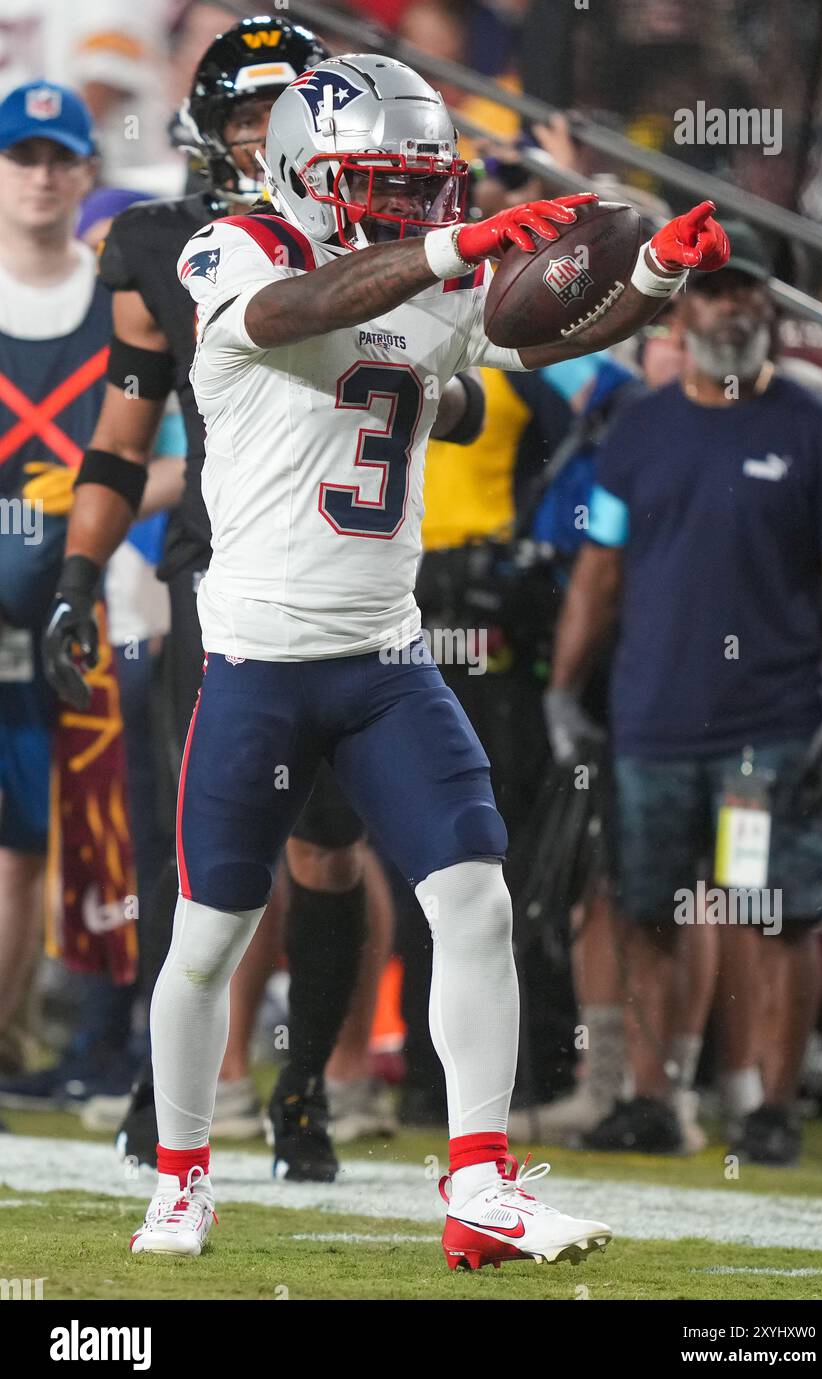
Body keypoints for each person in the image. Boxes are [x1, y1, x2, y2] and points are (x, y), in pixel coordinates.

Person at [55, 51, 727, 1263]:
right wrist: (448, 254)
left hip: (385, 661)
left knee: (471, 898)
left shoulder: (431, 272)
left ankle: (478, 1186)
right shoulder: (235, 250)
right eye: (381, 183)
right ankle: (182, 1176)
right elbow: (293, 315)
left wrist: (649, 274)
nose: (410, 208)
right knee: (208, 935)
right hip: (257, 662)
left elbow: (541, 332)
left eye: (423, 187)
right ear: (306, 172)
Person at [42, 15, 486, 1178]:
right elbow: (119, 437)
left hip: (350, 574)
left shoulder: (389, 233)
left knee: (334, 852)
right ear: (211, 133)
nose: (259, 139)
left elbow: (470, 396)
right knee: (195, 862)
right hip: (222, 575)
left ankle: (306, 1087)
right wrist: (81, 573)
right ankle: (172, 1094)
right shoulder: (168, 244)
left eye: (276, 116)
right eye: (242, 119)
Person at [546, 223, 822, 1163]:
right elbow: (600, 568)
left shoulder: (817, 430)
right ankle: (654, 1098)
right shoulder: (639, 427)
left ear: (767, 305)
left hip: (768, 729)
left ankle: (771, 1110)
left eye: (748, 292)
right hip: (652, 721)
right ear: (679, 310)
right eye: (715, 292)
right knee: (649, 907)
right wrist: (566, 690)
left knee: (773, 913)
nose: (734, 307)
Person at [0, 81, 103, 1090]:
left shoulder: (118, 298)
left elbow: (180, 453)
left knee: (38, 840)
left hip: (83, 605)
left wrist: (93, 488)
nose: (38, 175)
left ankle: (21, 1041)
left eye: (56, 157)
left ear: (85, 171)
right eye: (20, 156)